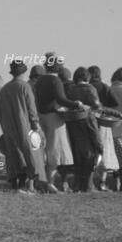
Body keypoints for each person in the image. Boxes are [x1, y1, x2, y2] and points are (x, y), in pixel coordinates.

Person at [34, 52, 82, 193]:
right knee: (54, 151)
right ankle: (50, 182)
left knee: (44, 150)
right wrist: (76, 104)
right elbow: (61, 99)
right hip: (54, 119)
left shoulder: (40, 81)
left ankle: (41, 181)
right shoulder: (55, 81)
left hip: (41, 117)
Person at [0, 60, 45, 194]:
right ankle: (28, 186)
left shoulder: (4, 89)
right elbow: (31, 109)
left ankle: (15, 184)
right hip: (25, 127)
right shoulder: (25, 87)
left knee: (14, 155)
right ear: (24, 72)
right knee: (30, 155)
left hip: (8, 127)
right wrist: (36, 125)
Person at [65, 67, 104, 192]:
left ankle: (77, 185)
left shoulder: (71, 89)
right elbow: (96, 105)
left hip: (73, 121)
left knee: (77, 155)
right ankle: (88, 186)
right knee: (89, 156)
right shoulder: (90, 88)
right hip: (88, 121)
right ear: (87, 77)